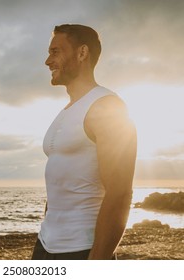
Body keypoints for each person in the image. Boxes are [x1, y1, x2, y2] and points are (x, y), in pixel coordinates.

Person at [32, 24, 137, 260]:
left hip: (82, 249)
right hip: (46, 244)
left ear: (82, 53)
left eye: (55, 51)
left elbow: (120, 193)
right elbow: (61, 181)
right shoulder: (67, 110)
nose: (48, 61)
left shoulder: (107, 106)